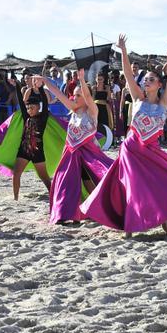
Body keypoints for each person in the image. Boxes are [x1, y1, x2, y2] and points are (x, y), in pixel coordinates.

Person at [81, 35, 167, 237]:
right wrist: (123, 51)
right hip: (131, 150)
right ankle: (130, 228)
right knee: (132, 187)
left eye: (151, 79)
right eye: (145, 79)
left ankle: (165, 225)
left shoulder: (163, 103)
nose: (146, 81)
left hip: (151, 152)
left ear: (158, 84)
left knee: (156, 187)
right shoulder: (137, 98)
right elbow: (129, 74)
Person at [41, 70, 113, 224]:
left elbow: (87, 96)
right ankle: (66, 213)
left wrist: (82, 81)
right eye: (74, 94)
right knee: (66, 182)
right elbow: (60, 95)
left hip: (88, 155)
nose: (75, 97)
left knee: (92, 182)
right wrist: (45, 81)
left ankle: (101, 208)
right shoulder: (73, 110)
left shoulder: (92, 111)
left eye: (78, 95)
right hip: (71, 153)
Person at [0, 77, 68, 201]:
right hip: (24, 150)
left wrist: (41, 88)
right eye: (28, 108)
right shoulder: (26, 116)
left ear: (38, 107)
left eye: (32, 108)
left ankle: (55, 196)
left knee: (45, 178)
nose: (29, 110)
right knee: (16, 174)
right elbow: (21, 103)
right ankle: (16, 198)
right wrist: (16, 85)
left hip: (37, 152)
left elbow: (44, 100)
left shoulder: (43, 118)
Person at [92, 72, 115, 136]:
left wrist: (110, 97)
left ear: (104, 79)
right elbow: (92, 99)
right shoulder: (94, 88)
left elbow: (109, 98)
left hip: (104, 108)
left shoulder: (107, 87)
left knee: (105, 122)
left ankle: (106, 137)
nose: (99, 81)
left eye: (101, 79)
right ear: (96, 79)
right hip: (96, 108)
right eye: (98, 79)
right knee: (96, 123)